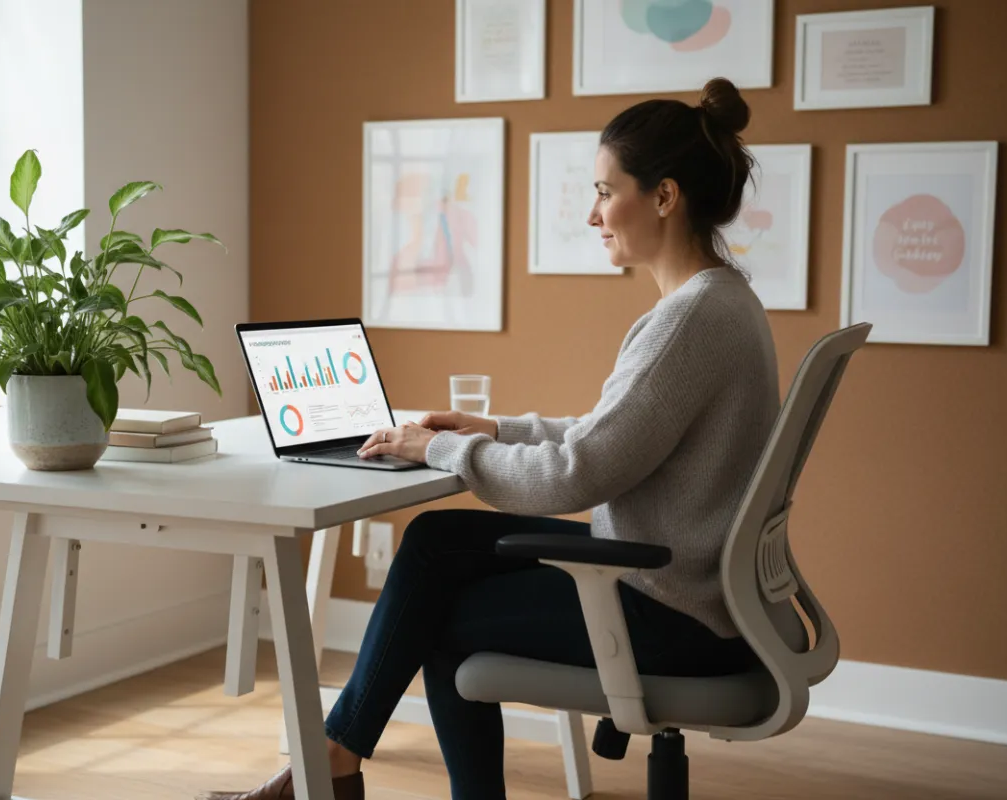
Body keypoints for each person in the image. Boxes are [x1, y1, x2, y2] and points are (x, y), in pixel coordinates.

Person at [204, 77, 779, 800]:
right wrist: (492, 429)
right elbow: (615, 433)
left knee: (440, 621)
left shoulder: (688, 320)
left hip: (666, 609)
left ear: (664, 197)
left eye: (606, 191)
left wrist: (437, 448)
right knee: (438, 542)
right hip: (684, 584)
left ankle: (328, 767)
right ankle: (332, 760)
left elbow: (578, 474)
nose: (594, 213)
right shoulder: (721, 301)